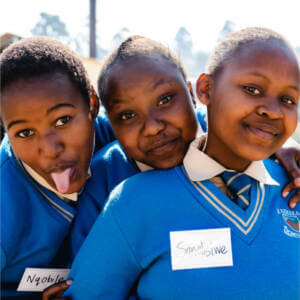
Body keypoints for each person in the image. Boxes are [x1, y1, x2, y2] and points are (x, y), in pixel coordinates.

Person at [63, 28, 300, 299]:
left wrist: (283, 144)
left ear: (193, 93)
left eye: (165, 100)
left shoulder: (286, 180)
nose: (152, 127)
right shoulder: (114, 188)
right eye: (128, 115)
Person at [0, 37, 116, 299]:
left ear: (92, 105)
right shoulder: (5, 204)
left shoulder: (120, 135)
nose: (50, 147)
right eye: (25, 132)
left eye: (63, 120)